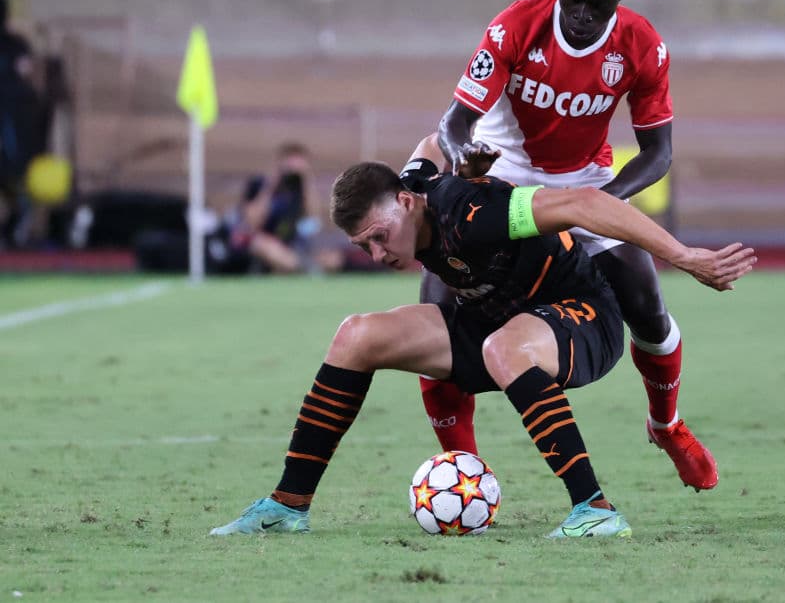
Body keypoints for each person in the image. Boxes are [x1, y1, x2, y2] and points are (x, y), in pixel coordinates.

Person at [209, 134, 755, 538]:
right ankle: (288, 505)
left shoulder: (476, 214)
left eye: (378, 238)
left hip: (582, 319)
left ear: (404, 204)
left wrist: (684, 257)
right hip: (497, 320)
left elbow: (587, 205)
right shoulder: (411, 188)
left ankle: (595, 509)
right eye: (363, 248)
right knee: (355, 335)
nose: (377, 256)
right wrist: (457, 152)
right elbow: (428, 144)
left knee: (505, 346)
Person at [421, 0, 722, 491]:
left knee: (647, 305)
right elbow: (455, 119)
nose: (583, 13)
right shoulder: (516, 24)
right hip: (502, 176)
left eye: (598, 3)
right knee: (437, 321)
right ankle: (463, 471)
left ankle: (667, 425)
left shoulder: (642, 46)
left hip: (586, 182)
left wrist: (596, 206)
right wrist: (462, 153)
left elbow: (659, 154)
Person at [226, 141, 323, 273]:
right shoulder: (259, 184)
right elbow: (251, 223)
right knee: (263, 244)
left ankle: (298, 266)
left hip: (286, 245)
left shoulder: (299, 191)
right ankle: (303, 268)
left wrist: (306, 179)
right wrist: (271, 185)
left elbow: (314, 220)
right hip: (254, 243)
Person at [0, 0, 43, 248]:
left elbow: (26, 71)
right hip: (14, 118)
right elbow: (26, 72)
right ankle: (14, 226)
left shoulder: (17, 43)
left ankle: (16, 226)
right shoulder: (17, 44)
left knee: (14, 174)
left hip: (12, 120)